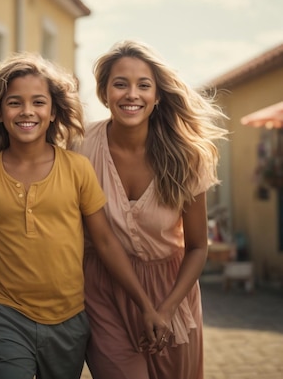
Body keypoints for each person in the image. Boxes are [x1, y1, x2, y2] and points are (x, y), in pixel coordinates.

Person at [0, 52, 168, 379]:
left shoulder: (77, 168)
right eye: (14, 103)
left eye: (38, 102)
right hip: (5, 314)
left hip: (69, 321)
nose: (27, 111)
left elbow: (106, 242)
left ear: (53, 113)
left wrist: (146, 306)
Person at [80, 40, 228, 379]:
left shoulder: (186, 158)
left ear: (158, 95)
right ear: (104, 93)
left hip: (172, 289)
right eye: (120, 84)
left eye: (143, 85)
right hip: (103, 288)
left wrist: (165, 309)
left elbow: (197, 247)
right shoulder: (80, 147)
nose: (132, 94)